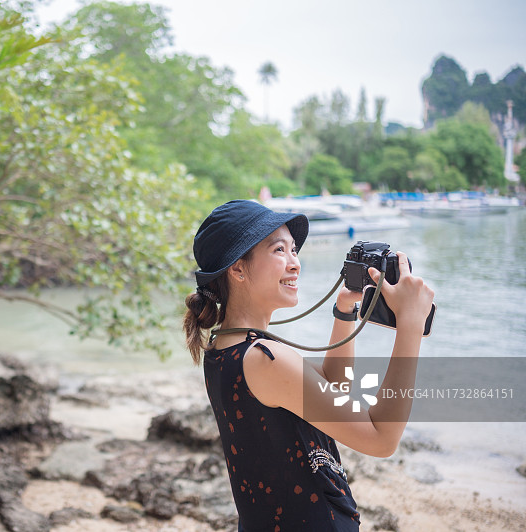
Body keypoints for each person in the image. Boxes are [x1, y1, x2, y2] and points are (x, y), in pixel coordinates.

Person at [183, 200, 435, 532]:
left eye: (294, 250)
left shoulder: (225, 347)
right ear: (238, 269)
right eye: (278, 251)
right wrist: (411, 325)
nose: (294, 264)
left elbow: (336, 389)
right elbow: (381, 439)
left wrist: (345, 310)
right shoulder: (264, 358)